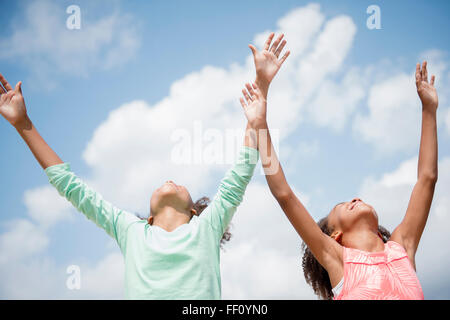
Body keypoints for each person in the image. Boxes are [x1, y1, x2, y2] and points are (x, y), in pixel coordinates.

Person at [0, 71, 259, 299]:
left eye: (178, 183)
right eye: (164, 183)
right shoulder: (132, 231)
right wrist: (23, 125)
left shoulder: (207, 227)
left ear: (194, 211)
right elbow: (73, 188)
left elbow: (239, 176)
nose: (169, 181)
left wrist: (258, 108)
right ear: (149, 218)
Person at [241, 33, 437, 300]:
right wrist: (261, 122)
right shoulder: (338, 260)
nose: (355, 198)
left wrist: (428, 110)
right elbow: (284, 195)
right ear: (335, 235)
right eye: (344, 205)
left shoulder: (402, 247)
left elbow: (427, 178)